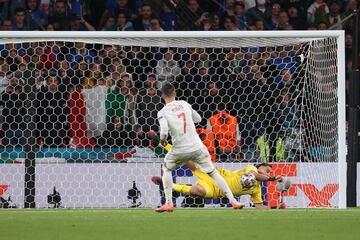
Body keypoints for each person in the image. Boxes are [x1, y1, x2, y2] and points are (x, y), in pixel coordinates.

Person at [155, 82, 244, 212]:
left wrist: (163, 140)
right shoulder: (185, 104)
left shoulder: (162, 112)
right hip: (197, 147)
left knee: (167, 169)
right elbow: (198, 119)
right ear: (175, 92)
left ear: (162, 95)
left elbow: (163, 131)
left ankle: (169, 203)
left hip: (179, 149)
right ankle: (234, 201)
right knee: (213, 173)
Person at [152, 162, 283, 209]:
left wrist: (276, 208)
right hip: (214, 174)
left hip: (215, 190)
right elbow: (253, 176)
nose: (269, 172)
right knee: (189, 161)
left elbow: (259, 206)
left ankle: (167, 184)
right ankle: (164, 144)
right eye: (268, 169)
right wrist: (271, 178)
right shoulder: (251, 168)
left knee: (199, 191)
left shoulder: (256, 190)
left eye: (270, 172)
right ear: (261, 166)